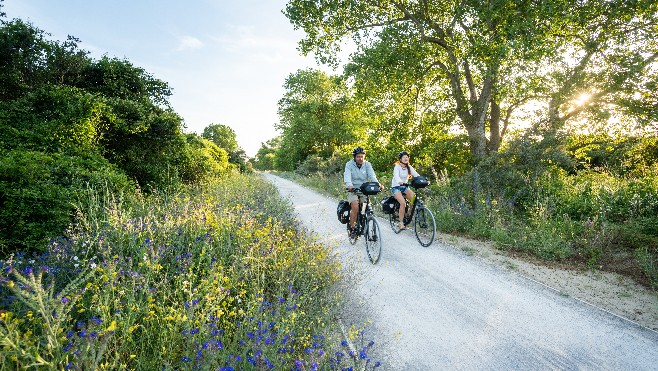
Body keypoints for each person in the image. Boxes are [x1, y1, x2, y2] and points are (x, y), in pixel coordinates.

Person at [344, 146, 381, 236]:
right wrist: (349, 185)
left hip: (364, 189)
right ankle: (352, 228)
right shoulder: (349, 164)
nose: (360, 158)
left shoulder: (367, 164)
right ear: (354, 157)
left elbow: (372, 176)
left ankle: (362, 220)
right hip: (352, 189)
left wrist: (378, 184)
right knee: (355, 206)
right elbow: (347, 176)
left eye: (362, 156)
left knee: (365, 206)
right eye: (358, 157)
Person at [391, 151, 420, 229]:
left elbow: (416, 175)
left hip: (405, 187)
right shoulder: (397, 166)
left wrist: (422, 180)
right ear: (400, 159)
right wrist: (400, 182)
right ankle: (401, 223)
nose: (406, 158)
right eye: (404, 157)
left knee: (414, 198)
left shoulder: (409, 167)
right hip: (396, 187)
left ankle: (408, 214)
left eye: (407, 157)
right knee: (402, 203)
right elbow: (396, 176)